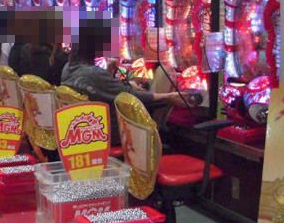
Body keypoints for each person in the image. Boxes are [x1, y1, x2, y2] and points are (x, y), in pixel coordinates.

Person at [61, 34, 189, 145]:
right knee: (160, 104)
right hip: (110, 133)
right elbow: (130, 96)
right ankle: (155, 144)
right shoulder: (93, 74)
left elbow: (95, 88)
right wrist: (168, 96)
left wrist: (109, 76)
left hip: (84, 132)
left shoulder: (68, 68)